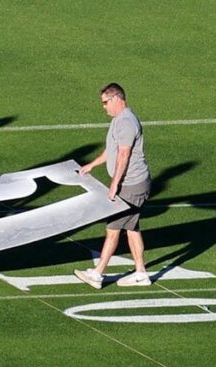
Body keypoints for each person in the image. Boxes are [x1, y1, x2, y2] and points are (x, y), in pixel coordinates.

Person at [74, 83, 152, 289]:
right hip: (133, 184)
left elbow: (124, 155)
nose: (104, 107)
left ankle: (98, 274)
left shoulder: (126, 122)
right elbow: (112, 151)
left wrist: (114, 184)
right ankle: (141, 273)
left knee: (113, 229)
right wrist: (92, 165)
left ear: (117, 98)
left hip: (131, 185)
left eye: (106, 102)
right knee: (132, 228)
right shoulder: (119, 120)